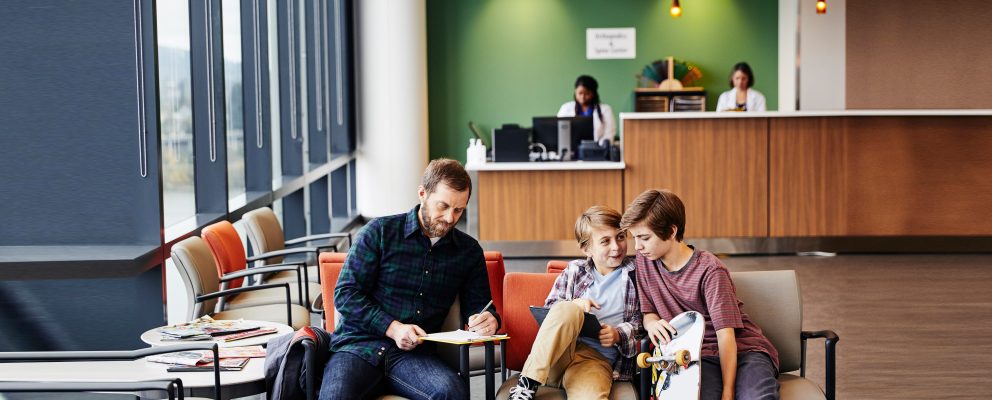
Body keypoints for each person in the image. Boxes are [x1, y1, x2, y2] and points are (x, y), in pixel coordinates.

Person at [319, 158, 500, 400]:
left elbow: (479, 306)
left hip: (414, 355)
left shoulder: (468, 251)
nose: (450, 218)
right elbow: (346, 294)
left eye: (459, 210)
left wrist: (488, 320)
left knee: (452, 393)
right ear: (422, 194)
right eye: (443, 206)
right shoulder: (379, 232)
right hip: (358, 346)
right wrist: (393, 328)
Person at [621, 189, 779, 400]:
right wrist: (651, 323)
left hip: (743, 351)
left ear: (672, 231)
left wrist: (728, 392)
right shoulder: (645, 260)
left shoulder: (711, 270)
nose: (637, 246)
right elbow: (648, 311)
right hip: (695, 355)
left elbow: (726, 336)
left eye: (645, 238)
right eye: (635, 238)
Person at [509, 206, 642, 400]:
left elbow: (642, 322)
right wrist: (577, 304)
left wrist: (618, 334)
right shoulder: (574, 270)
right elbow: (549, 314)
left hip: (594, 361)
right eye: (605, 241)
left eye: (620, 237)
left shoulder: (636, 275)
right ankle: (527, 383)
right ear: (587, 249)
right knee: (567, 308)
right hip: (556, 356)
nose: (616, 246)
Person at [558, 75, 616, 143]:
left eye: (587, 94)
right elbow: (559, 129)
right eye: (580, 93)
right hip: (571, 146)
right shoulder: (566, 108)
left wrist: (598, 147)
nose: (583, 97)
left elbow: (609, 133)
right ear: (575, 92)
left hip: (597, 147)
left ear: (593, 93)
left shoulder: (605, 109)